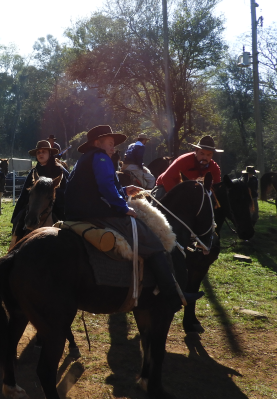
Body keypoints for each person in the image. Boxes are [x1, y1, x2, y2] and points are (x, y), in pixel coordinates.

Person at [64, 125, 202, 310]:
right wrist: (123, 208)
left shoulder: (84, 159)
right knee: (150, 238)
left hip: (77, 212)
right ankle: (171, 292)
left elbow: (94, 188)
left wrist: (123, 190)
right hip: (95, 212)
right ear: (98, 143)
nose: (114, 148)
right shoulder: (101, 156)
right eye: (111, 143)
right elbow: (105, 185)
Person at [11, 139, 69, 224]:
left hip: (56, 206)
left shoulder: (59, 170)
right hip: (33, 206)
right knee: (21, 221)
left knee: (65, 225)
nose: (40, 154)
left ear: (50, 153)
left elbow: (69, 190)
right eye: (38, 152)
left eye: (43, 151)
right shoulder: (34, 171)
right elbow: (24, 193)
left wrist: (51, 192)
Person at [152, 136, 223, 200]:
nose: (205, 157)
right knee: (157, 207)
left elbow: (216, 187)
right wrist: (179, 197)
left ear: (212, 155)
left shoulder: (214, 168)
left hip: (193, 193)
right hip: (167, 186)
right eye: (202, 154)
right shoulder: (183, 160)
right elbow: (166, 178)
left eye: (208, 155)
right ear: (196, 150)